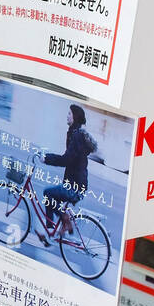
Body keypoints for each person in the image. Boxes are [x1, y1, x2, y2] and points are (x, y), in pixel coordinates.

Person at [37, 103, 98, 246]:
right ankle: (60, 226)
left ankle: (58, 226)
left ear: (75, 117)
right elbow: (69, 158)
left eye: (69, 113)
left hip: (75, 187)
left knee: (48, 193)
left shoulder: (76, 136)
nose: (67, 115)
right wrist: (48, 157)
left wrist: (46, 159)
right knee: (53, 197)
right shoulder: (75, 134)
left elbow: (67, 159)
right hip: (76, 184)